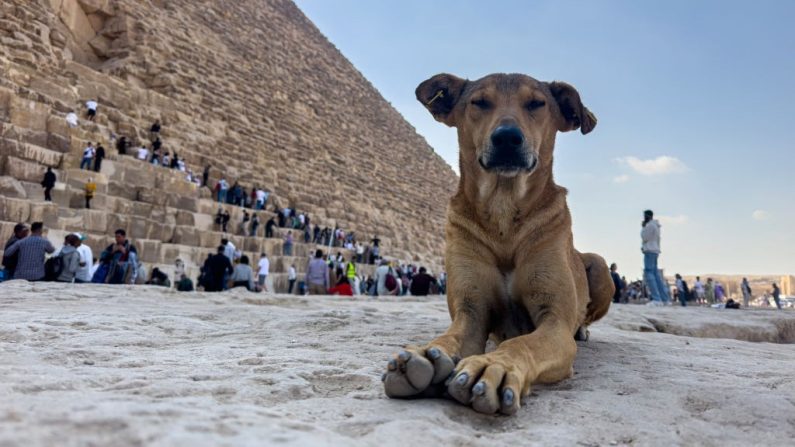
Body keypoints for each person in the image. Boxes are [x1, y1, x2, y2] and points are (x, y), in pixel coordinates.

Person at [641, 210, 669, 306]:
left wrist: (643, 227)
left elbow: (644, 237)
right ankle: (665, 299)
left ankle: (656, 299)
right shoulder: (656, 226)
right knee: (656, 275)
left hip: (649, 250)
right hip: (655, 250)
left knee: (649, 273)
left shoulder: (650, 225)